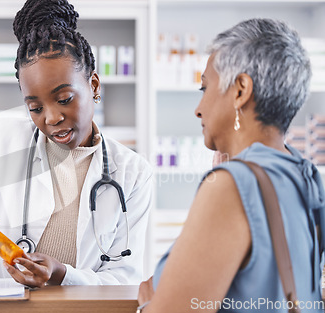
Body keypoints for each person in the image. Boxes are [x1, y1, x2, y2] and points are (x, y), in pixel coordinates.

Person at [0, 0, 152, 288]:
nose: (52, 118)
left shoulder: (132, 172)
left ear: (93, 85)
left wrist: (63, 276)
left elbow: (126, 278)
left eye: (64, 99)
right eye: (35, 108)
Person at [137, 18, 325, 313]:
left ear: (240, 90)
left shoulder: (233, 185)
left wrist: (149, 303)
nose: (198, 109)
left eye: (205, 87)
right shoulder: (305, 175)